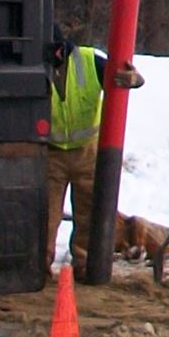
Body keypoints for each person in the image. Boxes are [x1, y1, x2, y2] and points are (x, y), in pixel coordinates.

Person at [46, 27, 142, 274]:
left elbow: (128, 76)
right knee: (46, 216)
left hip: (87, 152)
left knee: (89, 214)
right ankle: (39, 264)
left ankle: (84, 263)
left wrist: (135, 80)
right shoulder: (35, 65)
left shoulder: (89, 61)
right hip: (51, 152)